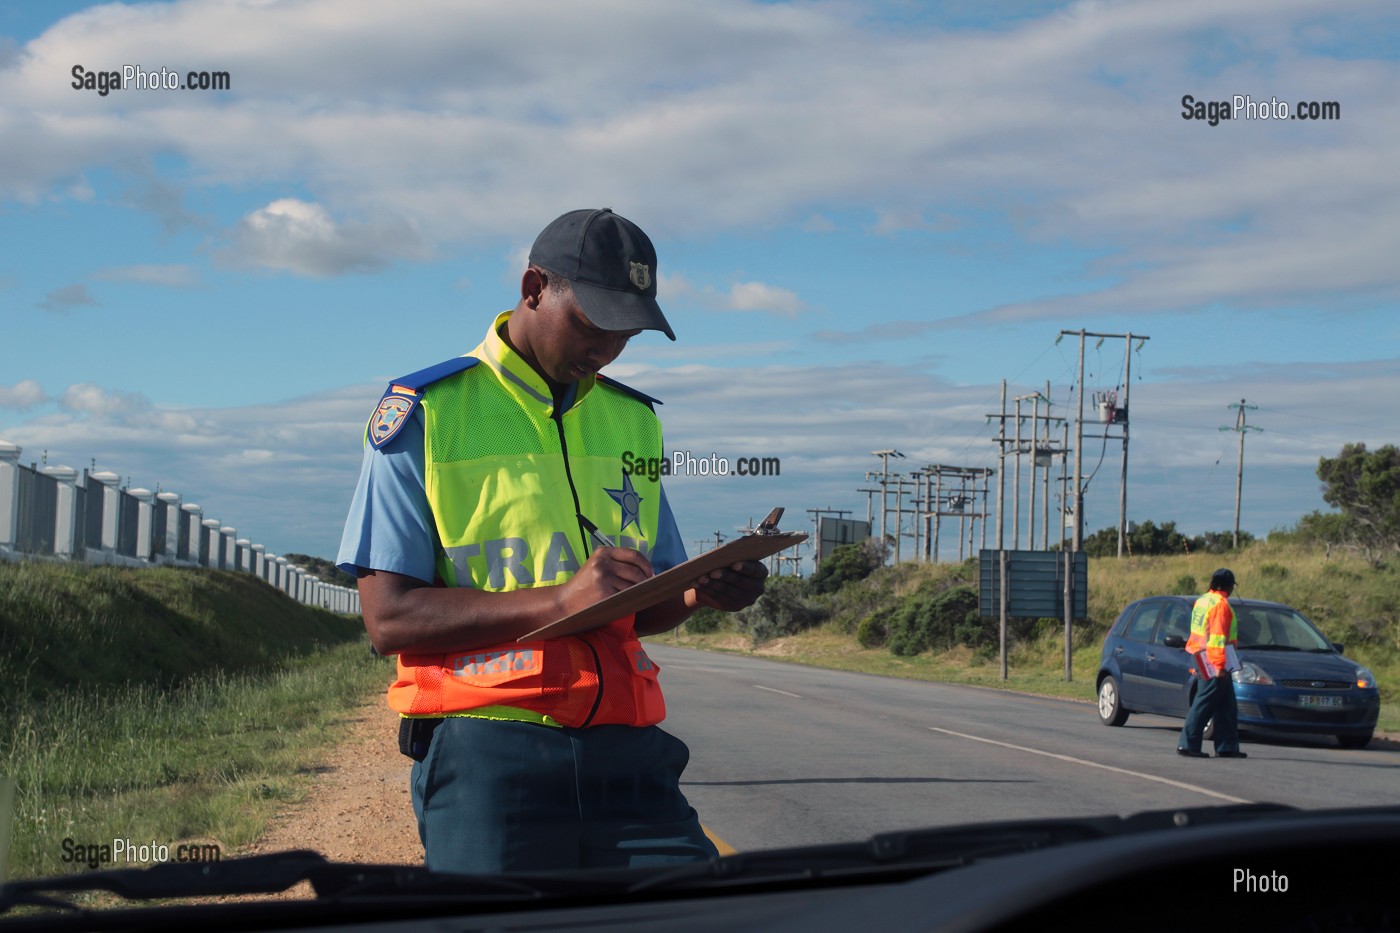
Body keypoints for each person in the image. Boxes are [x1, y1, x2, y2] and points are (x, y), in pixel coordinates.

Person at [336, 208, 769, 873]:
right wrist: (560, 601)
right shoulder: (427, 412)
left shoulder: (633, 421)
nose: (607, 347)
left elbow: (645, 601)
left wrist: (700, 589)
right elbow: (389, 619)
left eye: (627, 331)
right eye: (593, 322)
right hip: (488, 750)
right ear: (534, 286)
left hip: (628, 751)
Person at [1178, 568, 1246, 759]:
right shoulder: (1220, 605)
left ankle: (1227, 747)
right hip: (1213, 659)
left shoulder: (1202, 600)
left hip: (1201, 656)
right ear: (1229, 586)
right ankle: (1188, 744)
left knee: (1227, 705)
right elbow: (1216, 638)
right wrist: (1218, 666)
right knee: (1204, 702)